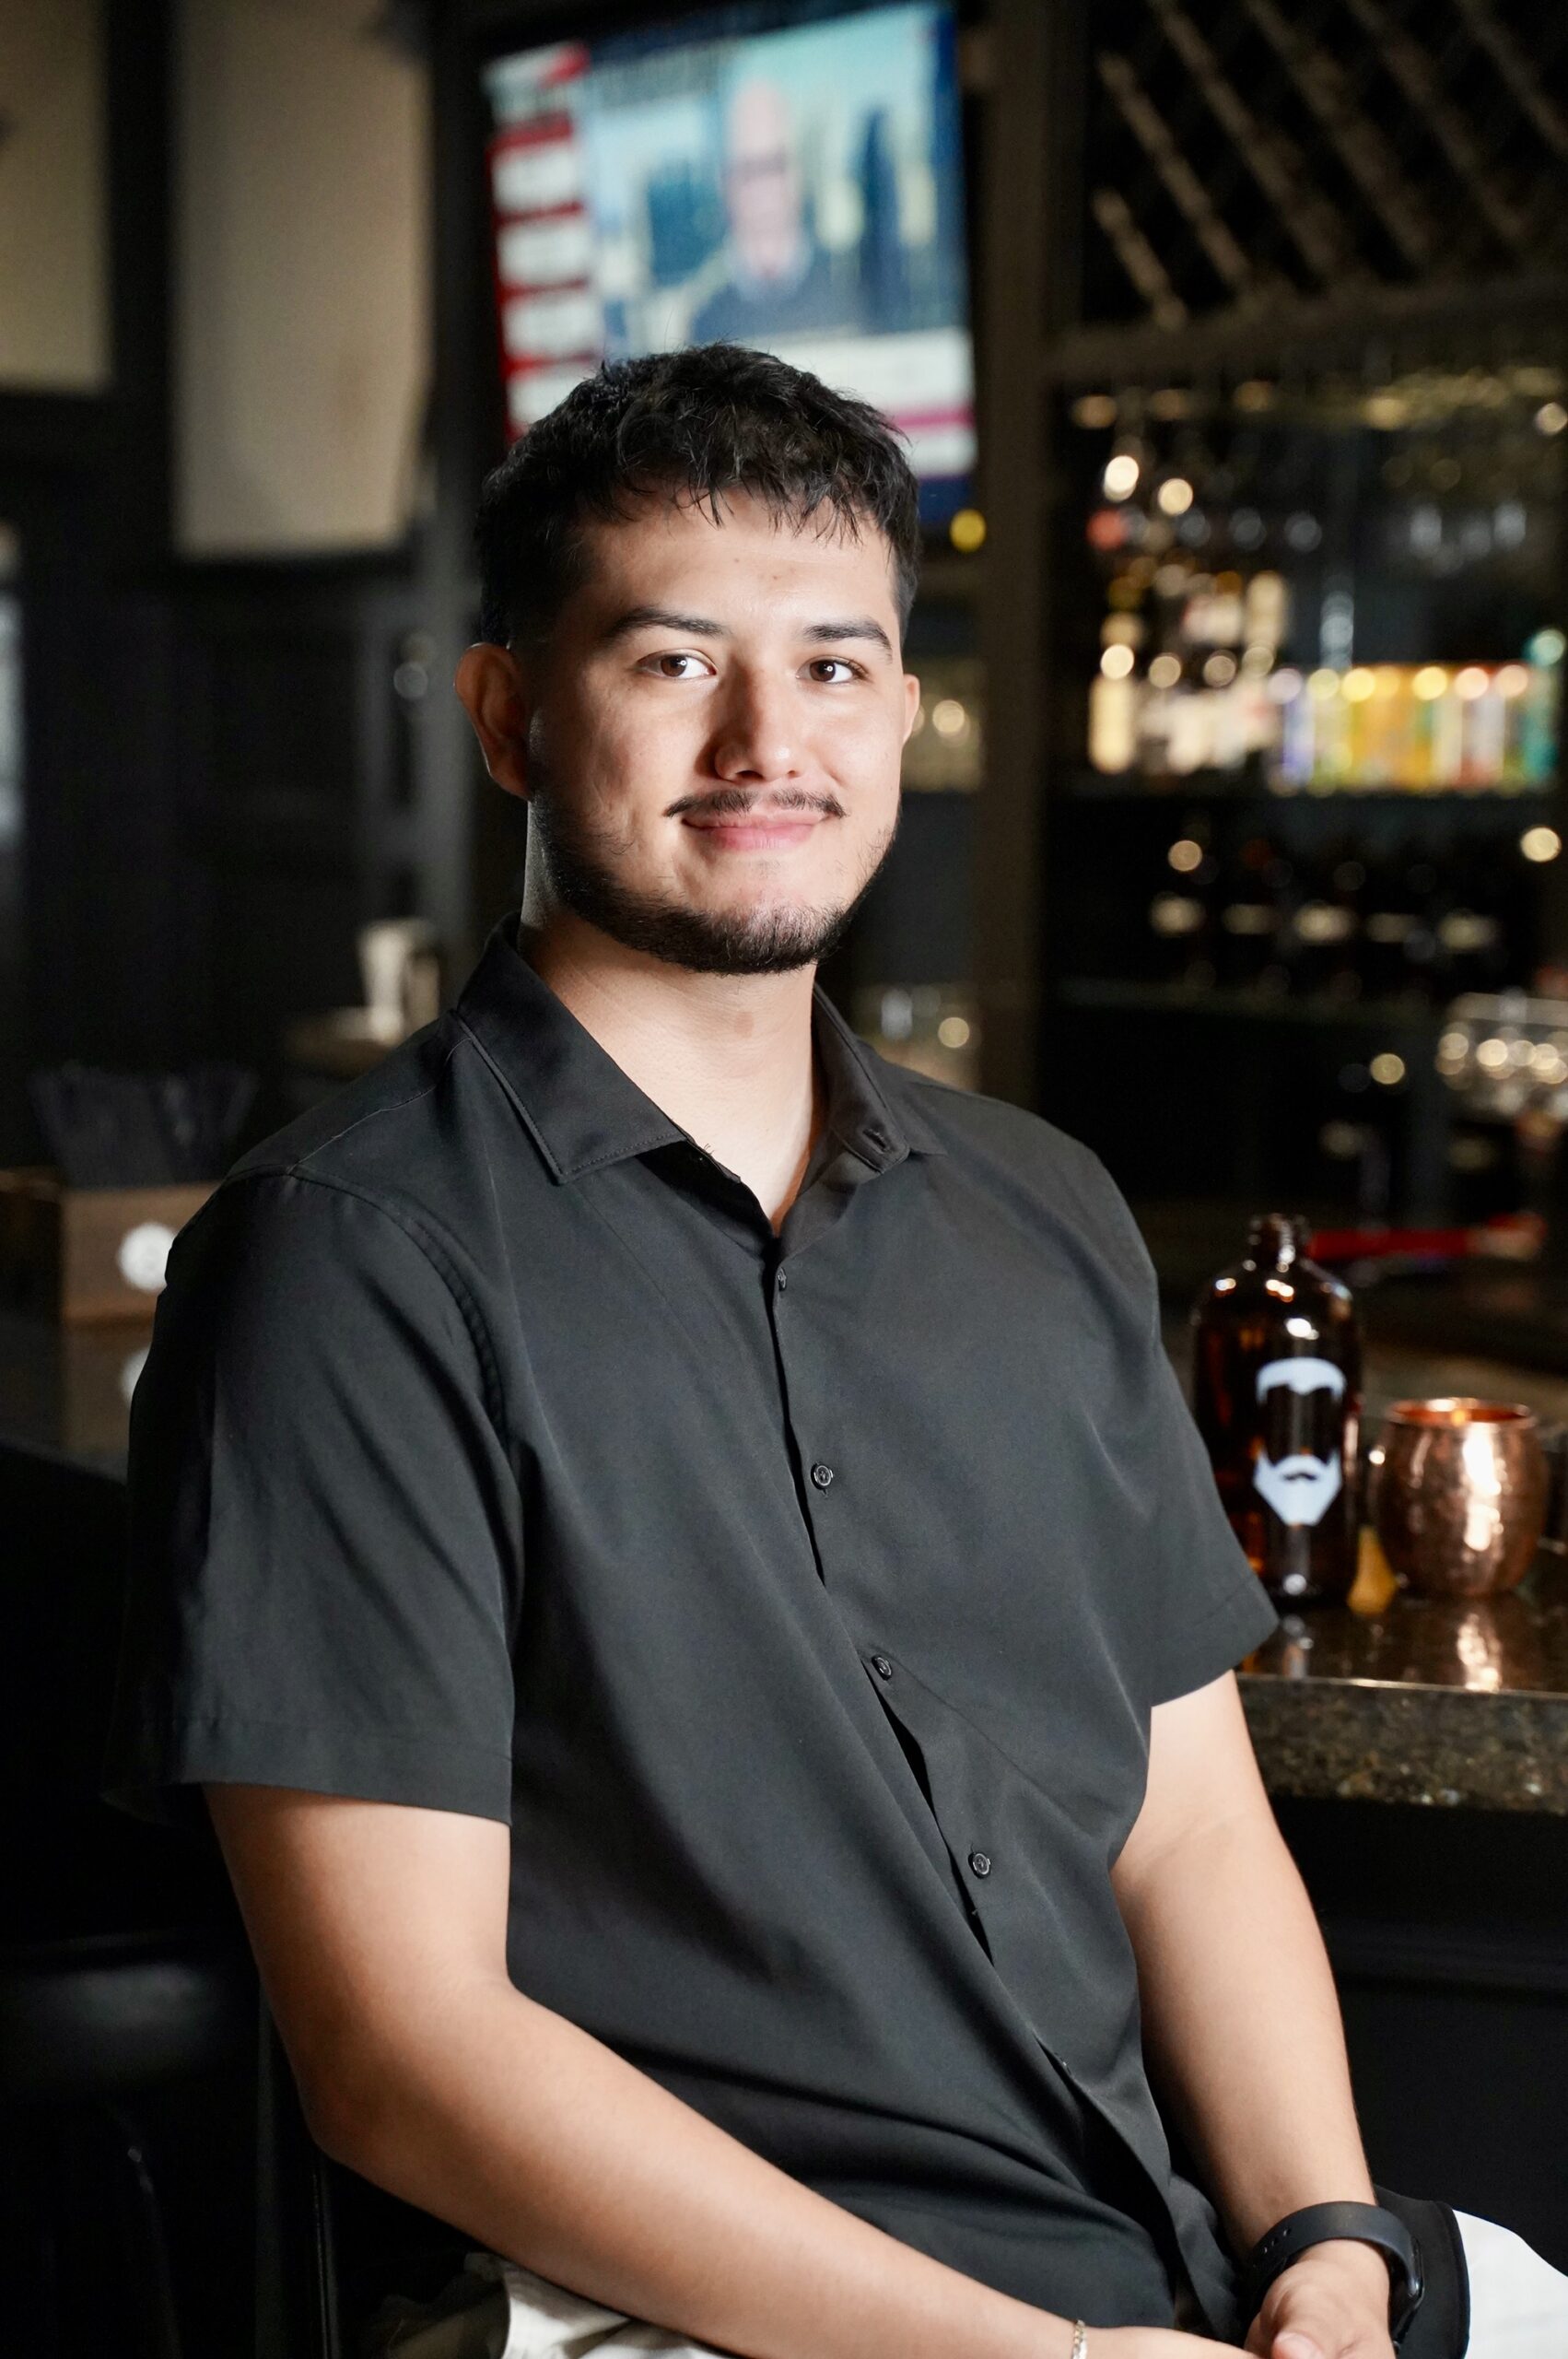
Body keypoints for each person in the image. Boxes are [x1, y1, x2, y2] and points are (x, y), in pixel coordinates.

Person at [106, 344, 1562, 2359]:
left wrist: (1323, 2239)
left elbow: (1190, 1827)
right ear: (510, 715)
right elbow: (399, 2049)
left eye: (835, 663)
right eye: (672, 660)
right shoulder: (343, 1259)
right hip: (658, 2315)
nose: (766, 740)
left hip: (1145, 2273)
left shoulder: (1042, 1206)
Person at [689, 82, 854, 345]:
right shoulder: (705, 321)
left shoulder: (849, 291)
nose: (764, 188)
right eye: (749, 170)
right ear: (726, 184)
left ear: (799, 173)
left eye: (776, 165)